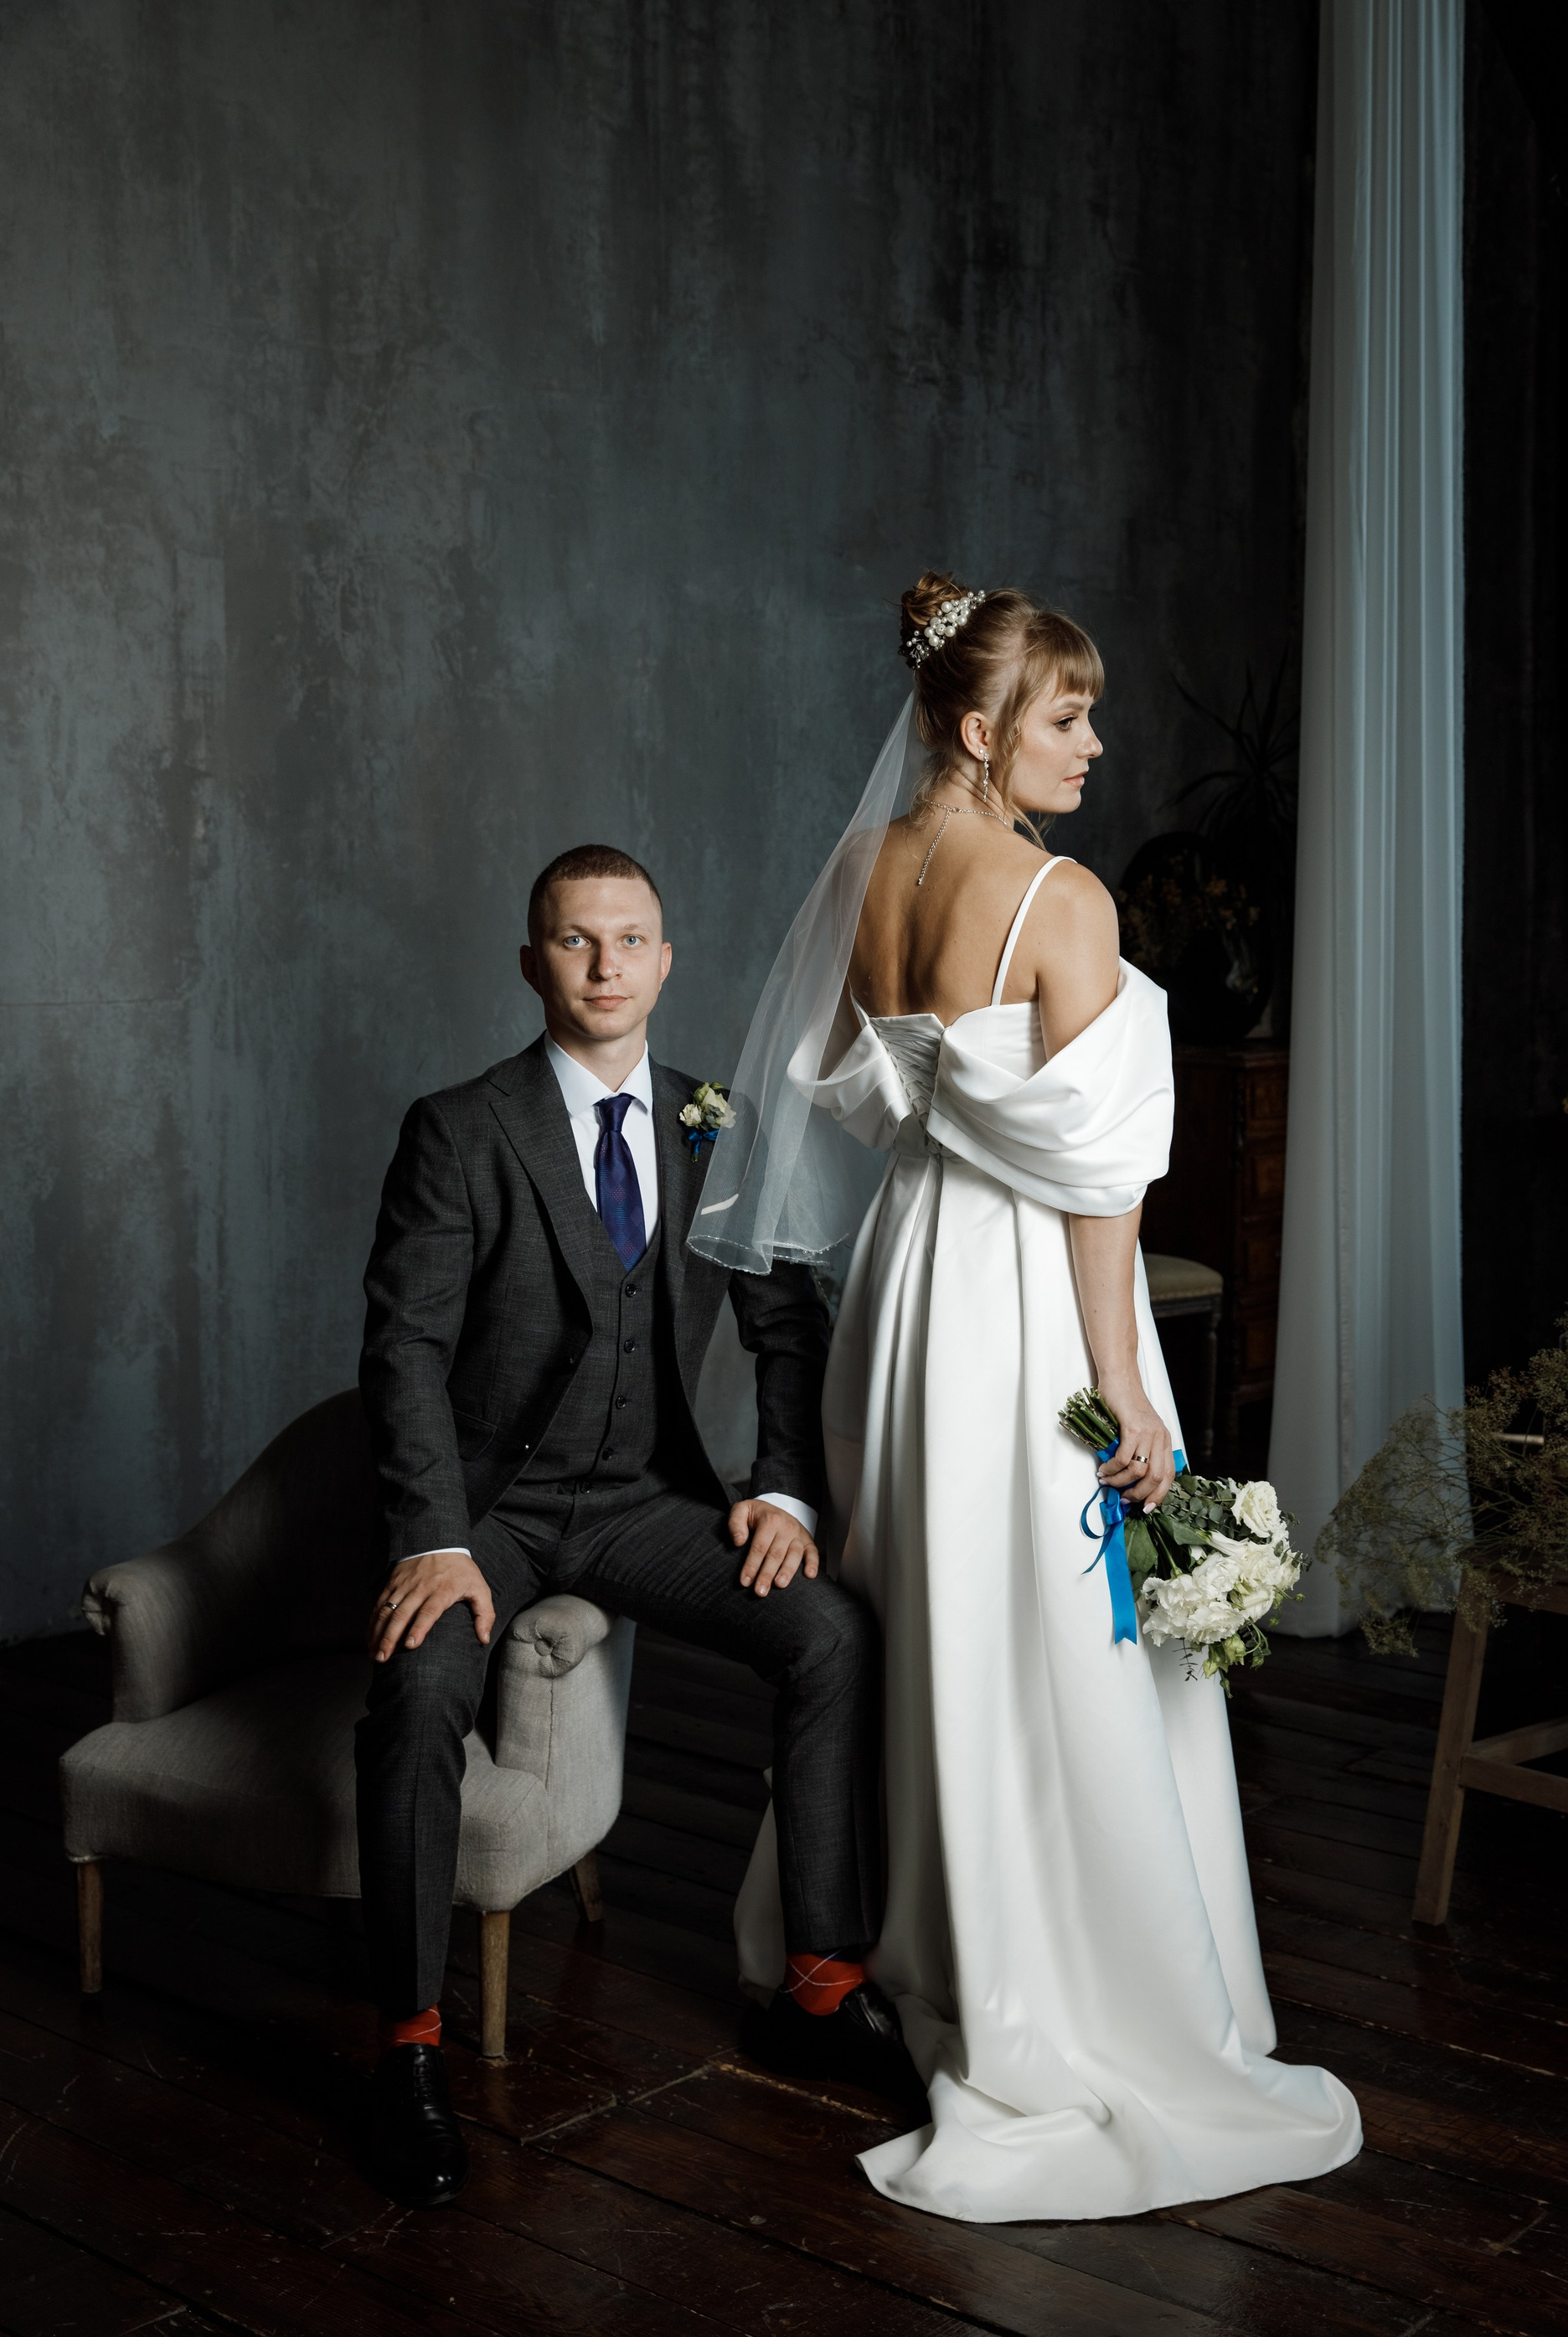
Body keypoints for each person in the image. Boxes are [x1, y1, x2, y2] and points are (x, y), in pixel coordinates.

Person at [704, 576, 1362, 2223]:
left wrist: (952, 1124)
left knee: (927, 1609)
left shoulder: (862, 870)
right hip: (1026, 1310)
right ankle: (1064, 1977)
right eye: (1069, 716)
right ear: (981, 728)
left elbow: (846, 1096)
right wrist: (1124, 1385)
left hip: (903, 1296)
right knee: (1064, 1626)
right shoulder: (1064, 902)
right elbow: (1098, 1181)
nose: (1094, 745)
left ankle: (898, 1941)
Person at [355, 843, 914, 2209]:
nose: (605, 966)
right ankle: (405, 2051)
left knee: (829, 1634)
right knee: (418, 1686)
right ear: (531, 961)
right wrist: (433, 1535)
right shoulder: (459, 1128)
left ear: (666, 961)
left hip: (644, 1502)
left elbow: (789, 1325)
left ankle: (818, 1984)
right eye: (574, 940)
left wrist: (783, 1488)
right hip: (490, 1514)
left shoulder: (716, 1120)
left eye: (630, 941)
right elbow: (404, 1350)